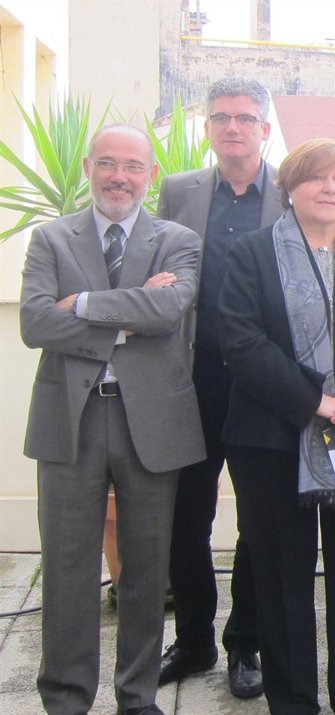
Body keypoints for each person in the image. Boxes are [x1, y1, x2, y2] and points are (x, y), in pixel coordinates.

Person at [218, 138, 335, 714]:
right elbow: (241, 341)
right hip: (272, 444)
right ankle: (294, 700)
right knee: (282, 576)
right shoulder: (252, 254)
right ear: (290, 187)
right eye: (318, 177)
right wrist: (318, 403)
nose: (331, 188)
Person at [20, 123, 205, 715]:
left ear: (151, 174)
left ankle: (137, 696)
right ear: (87, 168)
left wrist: (81, 304)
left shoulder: (178, 240)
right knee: (67, 567)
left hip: (151, 421)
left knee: (147, 569)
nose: (118, 177)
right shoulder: (51, 238)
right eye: (107, 163)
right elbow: (35, 324)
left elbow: (168, 309)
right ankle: (66, 698)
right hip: (69, 419)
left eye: (131, 166)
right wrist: (131, 315)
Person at [155, 75, 282, 699]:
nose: (233, 127)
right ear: (207, 127)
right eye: (222, 117)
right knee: (187, 515)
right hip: (194, 378)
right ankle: (195, 639)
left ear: (265, 129)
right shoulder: (177, 190)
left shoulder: (291, 190)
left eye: (245, 117)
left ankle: (245, 643)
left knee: (260, 519)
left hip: (264, 383)